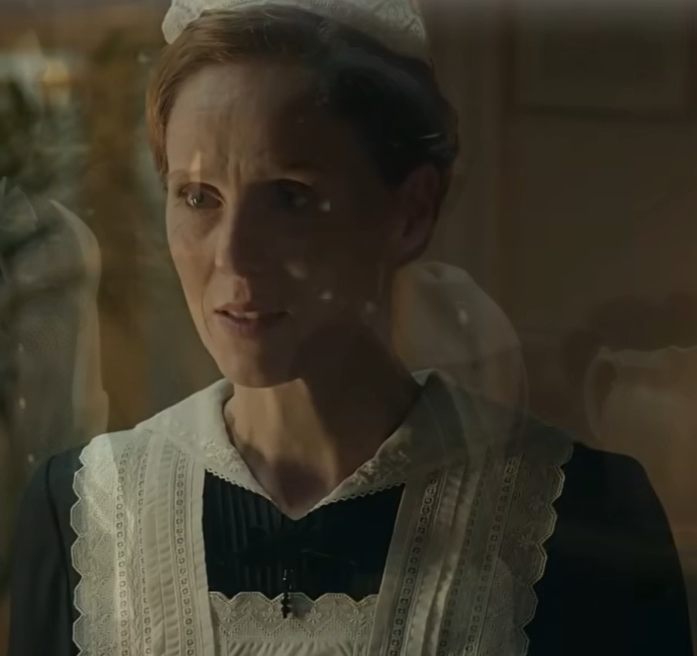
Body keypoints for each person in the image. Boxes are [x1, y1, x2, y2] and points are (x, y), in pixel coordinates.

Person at [7, 1, 692, 654]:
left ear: (410, 212)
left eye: (290, 197)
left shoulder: (580, 512)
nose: (232, 255)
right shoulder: (84, 513)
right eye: (198, 197)